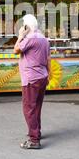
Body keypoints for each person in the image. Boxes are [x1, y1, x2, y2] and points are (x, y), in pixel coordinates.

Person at [14, 14, 50, 150]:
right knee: (37, 107)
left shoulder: (29, 38)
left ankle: (34, 140)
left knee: (29, 108)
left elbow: (15, 50)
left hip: (31, 77)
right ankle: (36, 132)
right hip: (42, 76)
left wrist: (20, 35)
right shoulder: (43, 38)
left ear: (26, 26)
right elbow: (48, 59)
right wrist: (48, 74)